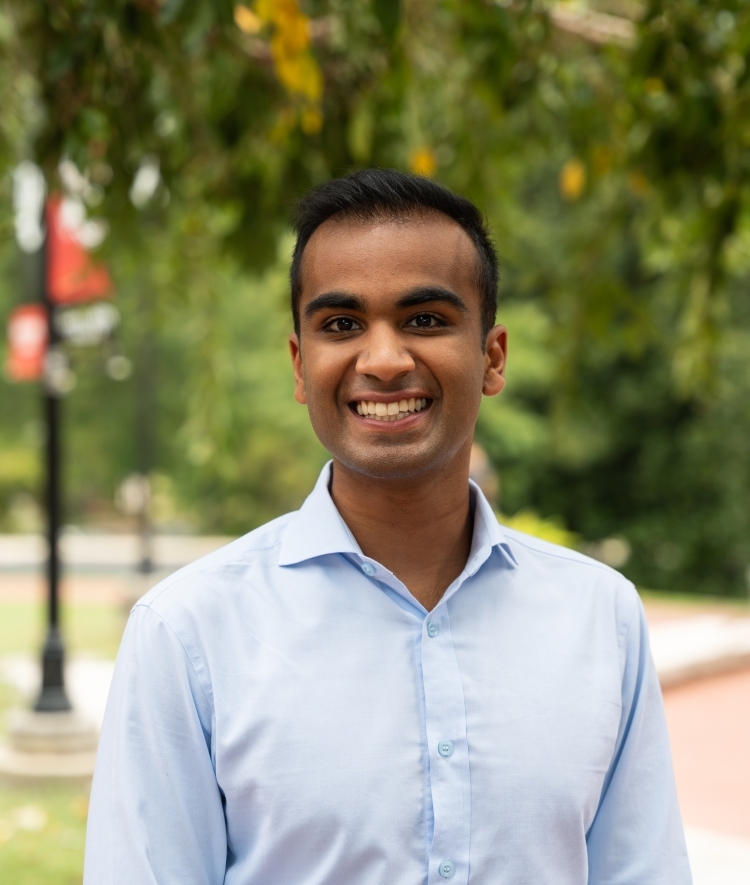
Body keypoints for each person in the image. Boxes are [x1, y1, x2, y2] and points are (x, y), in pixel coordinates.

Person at [84, 169, 691, 884]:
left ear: (492, 355)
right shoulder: (189, 633)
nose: (383, 360)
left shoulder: (601, 617)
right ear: (300, 363)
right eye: (341, 325)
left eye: (425, 320)